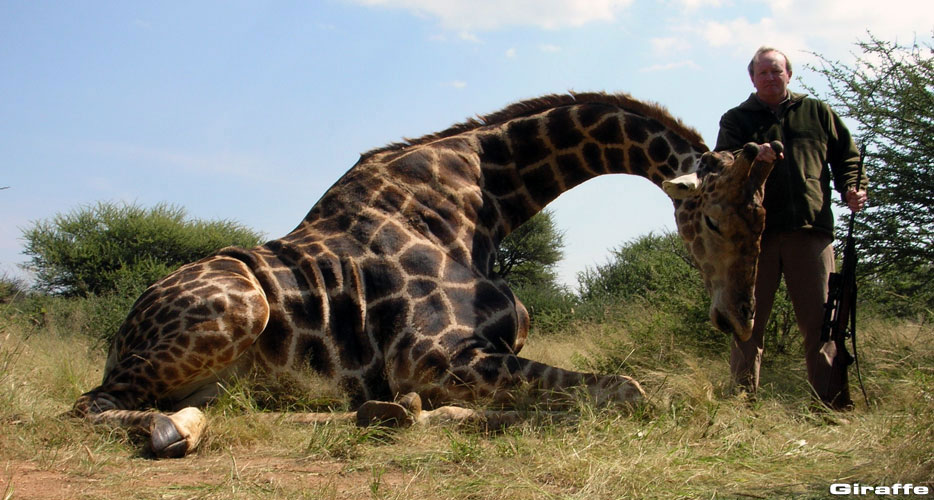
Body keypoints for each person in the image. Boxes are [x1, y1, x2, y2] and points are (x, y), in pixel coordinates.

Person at [715, 46, 868, 410]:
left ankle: (829, 407)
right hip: (755, 238)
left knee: (822, 324)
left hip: (810, 232)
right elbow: (721, 165)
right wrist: (753, 153)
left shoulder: (817, 112)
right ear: (752, 79)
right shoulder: (736, 119)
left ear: (789, 75)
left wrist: (853, 186)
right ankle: (741, 407)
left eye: (776, 71)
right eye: (763, 73)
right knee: (747, 323)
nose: (770, 77)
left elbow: (848, 155)